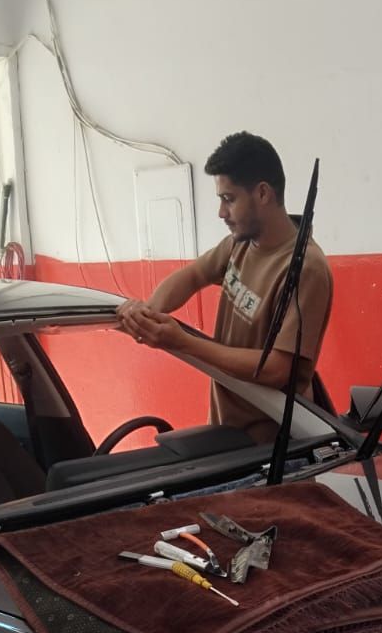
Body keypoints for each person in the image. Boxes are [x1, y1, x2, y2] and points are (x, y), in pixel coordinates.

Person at [115, 132, 333, 442]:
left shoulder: (305, 268)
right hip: (226, 432)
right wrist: (147, 314)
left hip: (271, 448)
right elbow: (193, 275)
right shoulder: (240, 244)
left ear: (262, 193)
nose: (221, 212)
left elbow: (277, 369)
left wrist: (183, 342)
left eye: (228, 199)